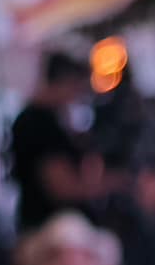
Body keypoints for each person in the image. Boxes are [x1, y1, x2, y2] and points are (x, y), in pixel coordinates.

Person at [8, 51, 94, 236]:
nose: (77, 96)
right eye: (77, 87)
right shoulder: (38, 123)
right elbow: (61, 187)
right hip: (47, 230)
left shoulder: (42, 119)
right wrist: (111, 183)